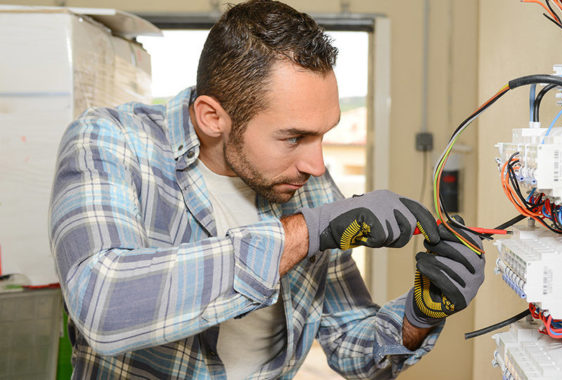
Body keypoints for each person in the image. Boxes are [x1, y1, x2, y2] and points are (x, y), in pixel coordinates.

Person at [49, 0, 485, 378]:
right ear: (212, 117)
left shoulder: (308, 187)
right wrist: (304, 233)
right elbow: (102, 305)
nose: (316, 165)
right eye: (294, 137)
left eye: (323, 134)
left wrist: (420, 314)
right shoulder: (110, 141)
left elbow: (356, 354)